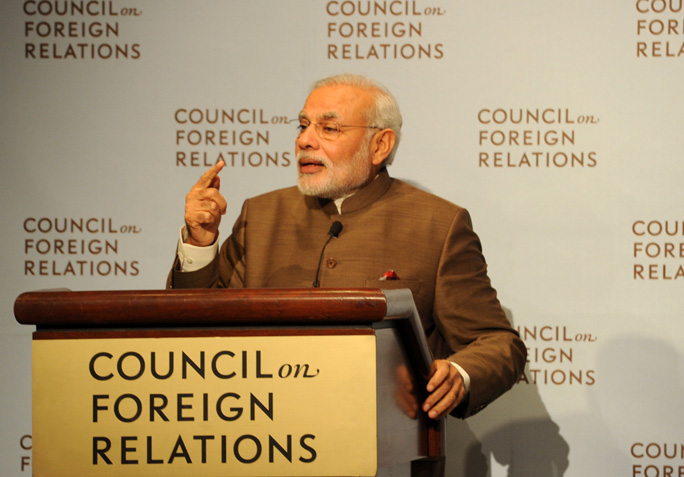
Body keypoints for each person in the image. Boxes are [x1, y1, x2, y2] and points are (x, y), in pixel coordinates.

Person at [168, 74, 526, 420]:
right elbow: (199, 329)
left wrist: (458, 374)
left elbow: (496, 342)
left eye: (329, 128)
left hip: (386, 442)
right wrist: (201, 241)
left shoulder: (438, 225)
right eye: (303, 125)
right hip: (266, 438)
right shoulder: (260, 215)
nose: (305, 140)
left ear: (380, 145)